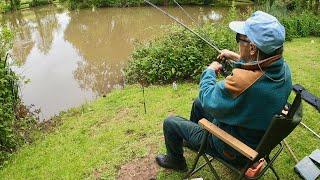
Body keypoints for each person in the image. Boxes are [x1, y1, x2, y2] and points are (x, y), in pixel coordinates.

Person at [155, 11, 292, 172]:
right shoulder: (283, 71)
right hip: (256, 136)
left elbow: (207, 96)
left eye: (239, 38)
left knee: (171, 122)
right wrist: (235, 56)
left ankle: (176, 161)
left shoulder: (242, 82)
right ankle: (193, 142)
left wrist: (210, 71)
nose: (238, 42)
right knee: (198, 105)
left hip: (233, 148)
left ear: (253, 48)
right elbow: (259, 66)